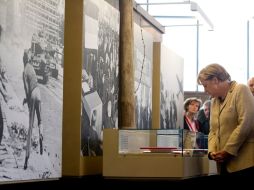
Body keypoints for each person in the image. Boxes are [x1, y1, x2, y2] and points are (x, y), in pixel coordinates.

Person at [197, 63, 254, 176]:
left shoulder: (241, 89)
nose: (204, 90)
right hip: (222, 164)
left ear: (215, 80)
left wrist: (227, 151)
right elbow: (213, 130)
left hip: (243, 162)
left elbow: (246, 123)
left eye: (205, 85)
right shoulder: (214, 101)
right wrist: (212, 152)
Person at [22, 49, 43, 170]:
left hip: (32, 95)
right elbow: (34, 85)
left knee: (30, 128)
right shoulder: (32, 67)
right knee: (40, 120)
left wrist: (28, 102)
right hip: (38, 92)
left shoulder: (24, 71)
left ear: (23, 59)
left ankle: (26, 160)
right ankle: (41, 135)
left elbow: (27, 90)